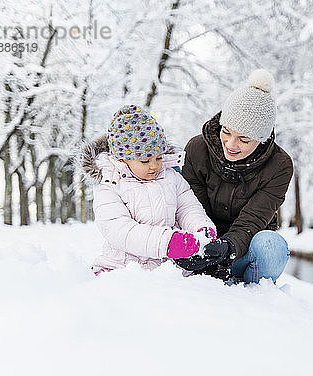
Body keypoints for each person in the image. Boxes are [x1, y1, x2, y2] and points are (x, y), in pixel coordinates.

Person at [181, 69, 294, 284]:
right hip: (202, 243)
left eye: (243, 139)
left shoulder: (280, 166)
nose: (231, 145)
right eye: (226, 131)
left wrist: (228, 248)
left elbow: (254, 219)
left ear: (260, 139)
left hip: (246, 245)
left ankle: (251, 290)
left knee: (272, 247)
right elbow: (191, 208)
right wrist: (205, 244)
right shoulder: (197, 149)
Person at [81, 104, 217, 275]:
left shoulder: (171, 177)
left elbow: (187, 208)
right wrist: (168, 243)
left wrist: (201, 228)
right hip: (123, 268)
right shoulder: (109, 184)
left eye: (159, 157)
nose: (154, 166)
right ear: (122, 160)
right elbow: (119, 230)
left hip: (168, 268)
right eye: (145, 161)